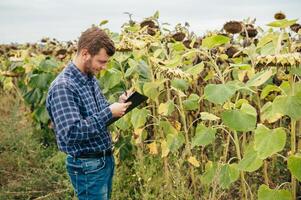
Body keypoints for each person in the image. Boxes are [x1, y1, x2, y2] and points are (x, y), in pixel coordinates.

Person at [46, 26, 131, 200]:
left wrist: (118, 106)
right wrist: (109, 112)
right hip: (87, 166)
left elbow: (97, 116)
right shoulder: (64, 86)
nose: (104, 67)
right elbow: (72, 132)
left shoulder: (89, 79)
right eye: (101, 61)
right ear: (85, 53)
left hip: (102, 162)